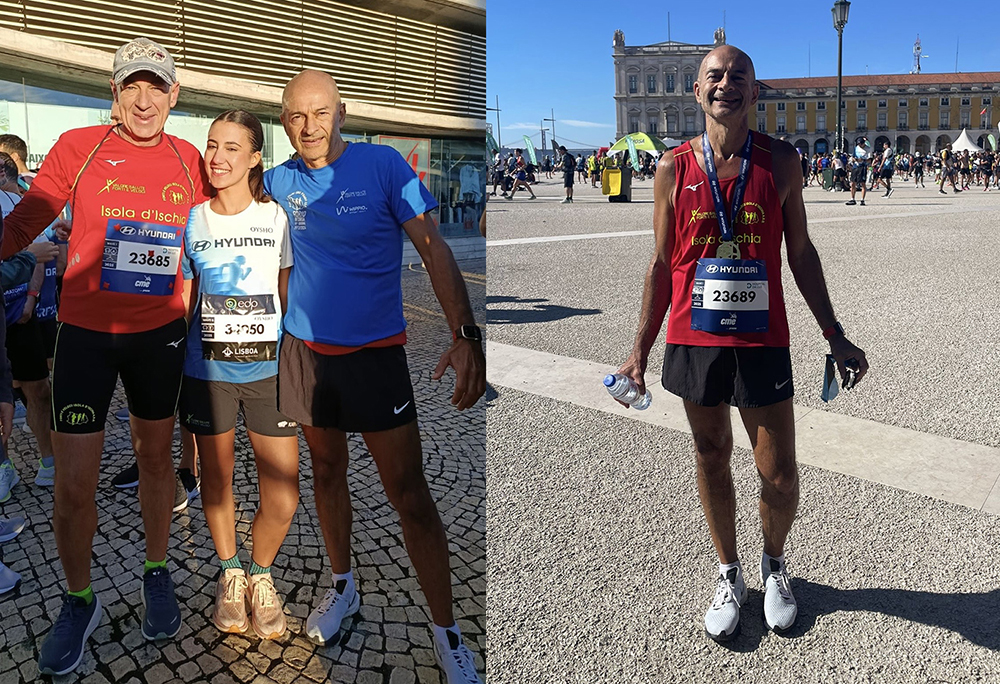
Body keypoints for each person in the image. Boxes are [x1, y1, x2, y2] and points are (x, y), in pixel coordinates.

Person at [614, 45, 869, 642]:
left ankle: (774, 566)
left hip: (761, 341)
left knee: (779, 474)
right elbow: (658, 264)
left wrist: (835, 333)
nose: (726, 83)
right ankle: (729, 571)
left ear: (755, 93)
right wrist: (638, 351)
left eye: (739, 76)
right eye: (715, 75)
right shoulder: (673, 168)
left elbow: (800, 253)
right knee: (711, 456)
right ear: (698, 91)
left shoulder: (781, 162)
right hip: (693, 337)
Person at [264, 69, 485, 684]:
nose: (308, 127)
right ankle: (344, 588)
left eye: (319, 113)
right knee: (327, 471)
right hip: (305, 355)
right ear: (284, 123)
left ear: (342, 112)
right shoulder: (277, 182)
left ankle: (446, 631)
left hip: (376, 355)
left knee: (410, 494)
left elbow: (433, 247)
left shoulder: (384, 166)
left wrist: (465, 334)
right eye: (295, 117)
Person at [1, 37, 210, 676]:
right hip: (87, 336)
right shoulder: (78, 147)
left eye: (156, 87)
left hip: (159, 336)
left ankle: (155, 569)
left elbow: (220, 229)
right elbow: (26, 218)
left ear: (174, 95)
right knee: (72, 481)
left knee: (154, 461)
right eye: (131, 88)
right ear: (113, 95)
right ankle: (79, 599)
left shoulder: (189, 159)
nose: (144, 100)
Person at [179, 109, 299, 640]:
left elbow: (287, 292)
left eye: (232, 148)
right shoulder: (192, 219)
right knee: (219, 480)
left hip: (270, 372)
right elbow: (183, 299)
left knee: (284, 491)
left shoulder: (275, 220)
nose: (218, 158)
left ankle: (262, 573)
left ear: (255, 158)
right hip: (208, 372)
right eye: (212, 146)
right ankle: (230, 573)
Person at [845, 137, 869, 206]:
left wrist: (862, 160)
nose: (859, 145)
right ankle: (852, 199)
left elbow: (869, 160)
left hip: (862, 167)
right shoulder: (856, 149)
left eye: (860, 143)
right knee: (852, 183)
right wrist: (853, 159)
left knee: (863, 184)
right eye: (858, 143)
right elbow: (853, 156)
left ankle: (862, 200)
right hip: (855, 167)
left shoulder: (867, 150)